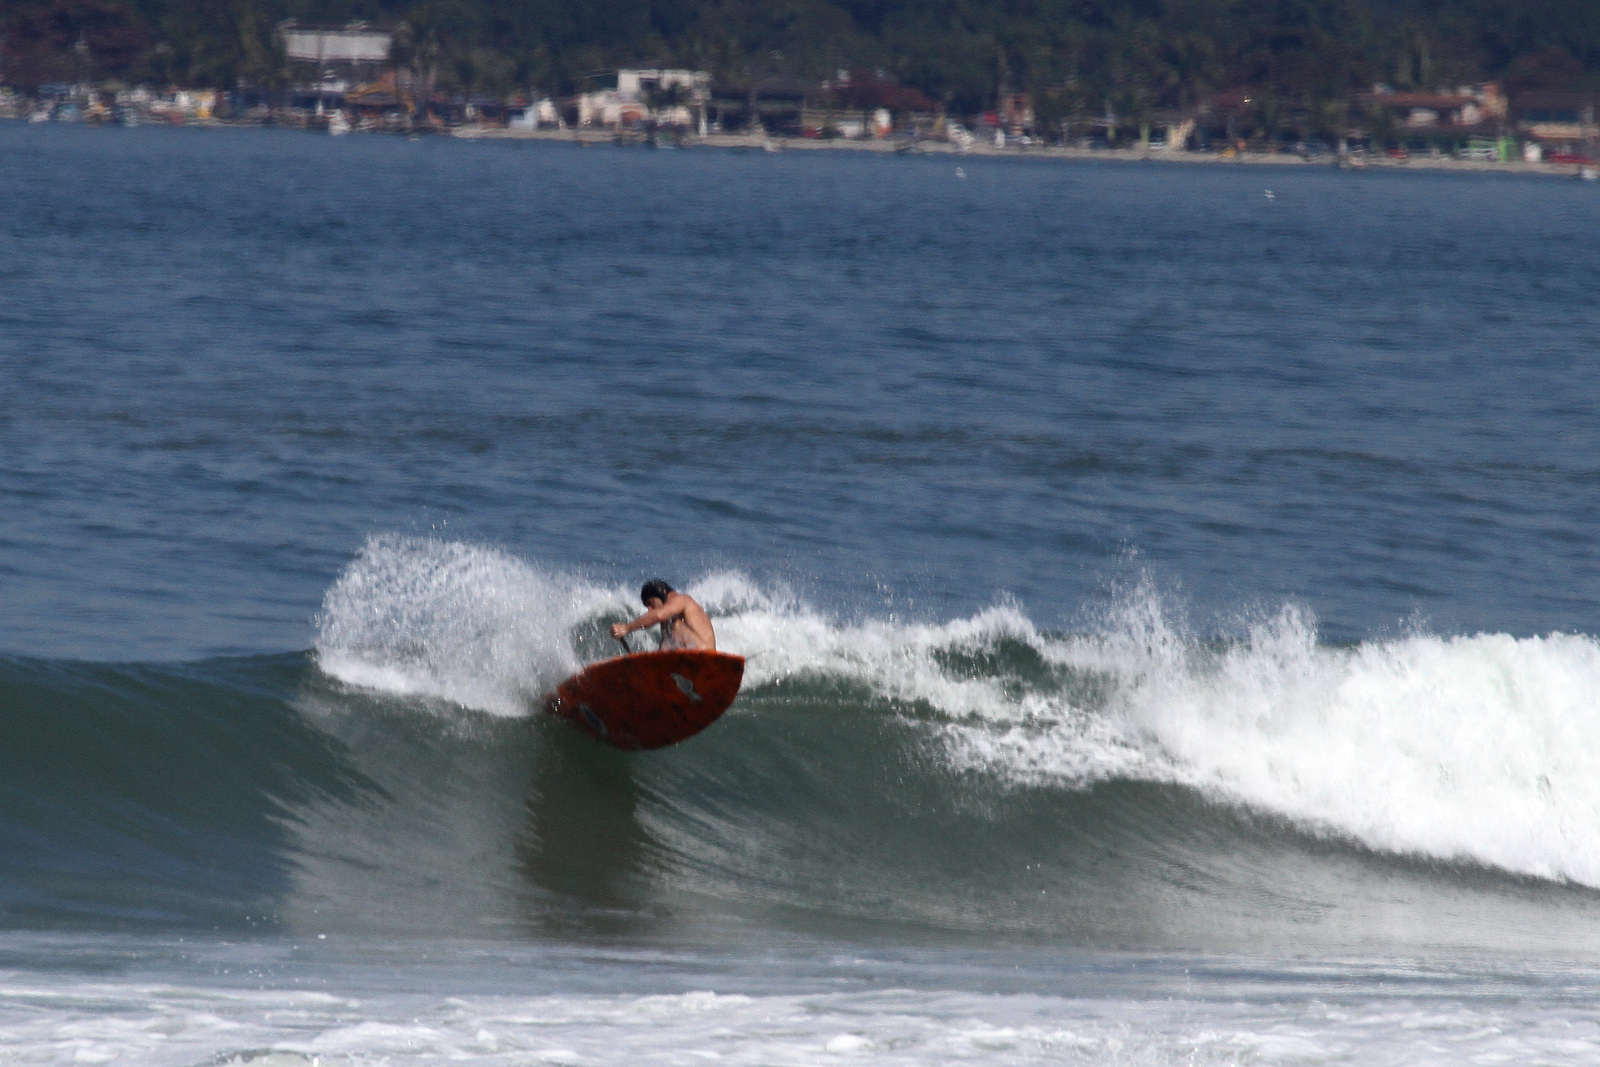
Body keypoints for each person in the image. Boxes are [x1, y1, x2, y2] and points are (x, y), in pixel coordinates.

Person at [611, 579, 716, 651]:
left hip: (706, 658)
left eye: (650, 603)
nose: (649, 609)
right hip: (689, 664)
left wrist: (625, 628)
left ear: (662, 592)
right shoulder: (670, 621)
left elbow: (658, 615)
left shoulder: (682, 599)